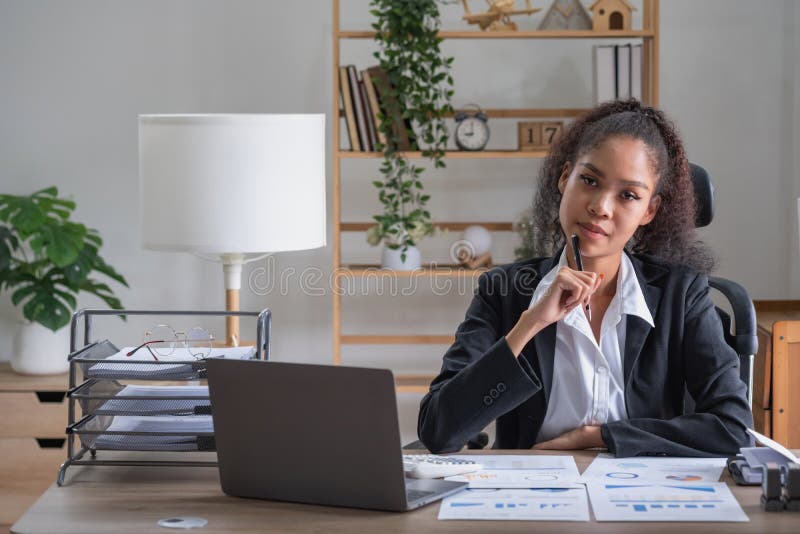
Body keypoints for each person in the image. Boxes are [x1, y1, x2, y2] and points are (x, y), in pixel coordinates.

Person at [418, 99, 754, 457]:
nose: (601, 207)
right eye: (590, 181)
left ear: (649, 210)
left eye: (628, 195)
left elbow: (733, 429)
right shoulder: (503, 290)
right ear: (566, 178)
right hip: (531, 494)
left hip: (640, 495)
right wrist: (528, 325)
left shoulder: (681, 294)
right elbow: (439, 432)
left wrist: (599, 437)